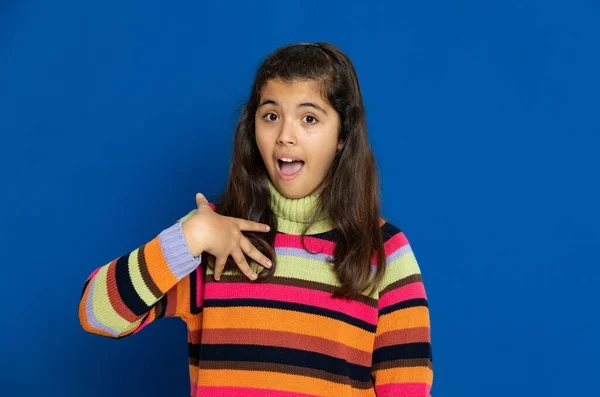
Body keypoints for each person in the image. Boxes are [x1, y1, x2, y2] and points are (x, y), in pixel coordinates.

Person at [78, 41, 434, 397]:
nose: (285, 136)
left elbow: (407, 390)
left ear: (342, 135)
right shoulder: (211, 236)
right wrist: (190, 235)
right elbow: (98, 315)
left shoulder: (384, 252)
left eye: (309, 118)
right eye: (271, 116)